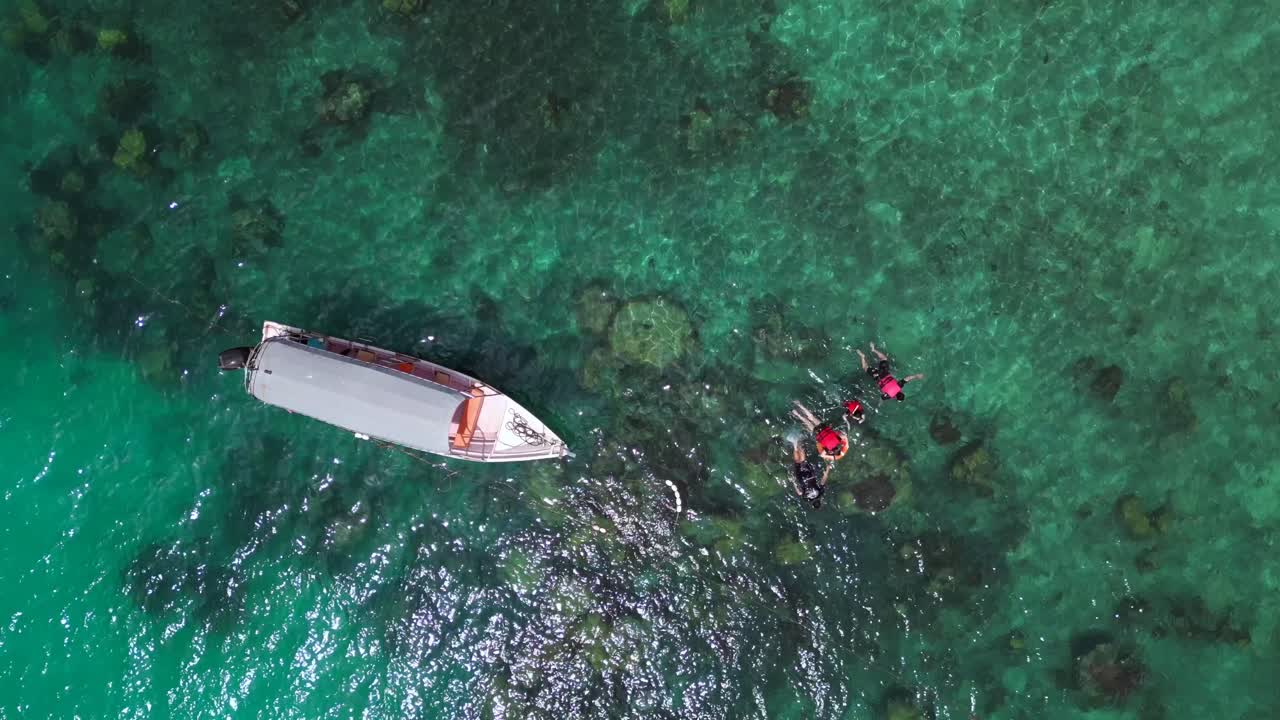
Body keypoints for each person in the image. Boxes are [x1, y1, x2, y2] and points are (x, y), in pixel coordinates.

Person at [857, 342, 924, 402]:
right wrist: (881, 402)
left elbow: (907, 378)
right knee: (865, 368)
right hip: (878, 378)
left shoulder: (899, 386)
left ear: (902, 392)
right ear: (896, 398)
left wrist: (916, 376)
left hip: (884, 373)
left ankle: (873, 349)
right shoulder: (889, 396)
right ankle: (862, 357)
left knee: (884, 358)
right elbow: (882, 397)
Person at [788, 436, 831, 510]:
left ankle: (798, 443)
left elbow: (823, 481)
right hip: (802, 479)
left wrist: (827, 470)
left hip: (809, 476)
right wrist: (793, 481)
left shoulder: (820, 493)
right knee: (797, 463)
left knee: (803, 461)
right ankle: (795, 446)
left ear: (820, 501)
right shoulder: (807, 499)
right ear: (812, 504)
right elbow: (799, 493)